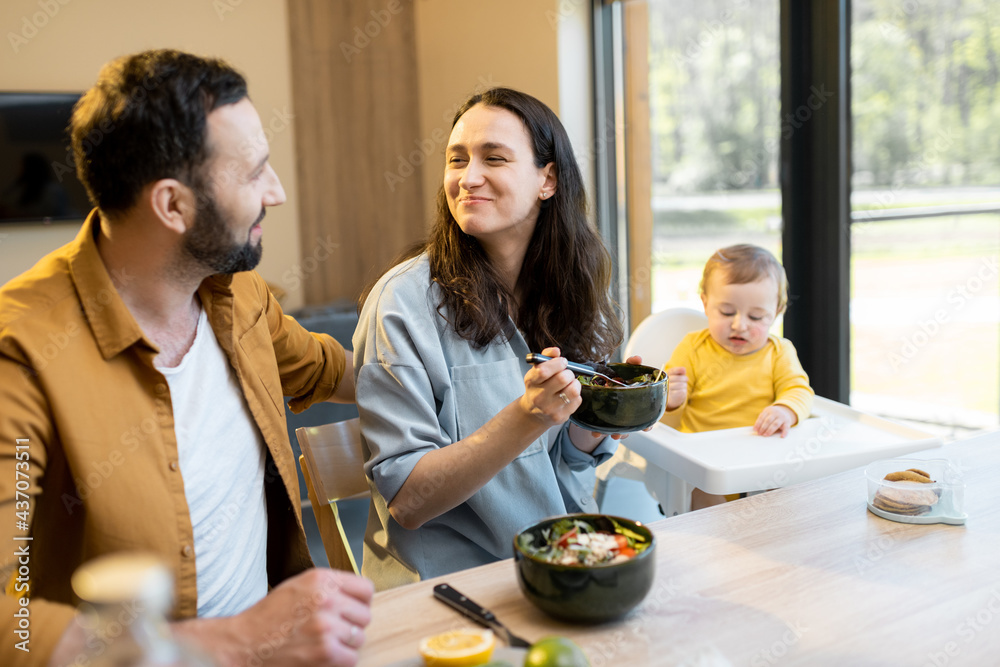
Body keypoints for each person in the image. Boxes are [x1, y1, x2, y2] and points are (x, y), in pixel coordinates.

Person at [0, 50, 372, 667]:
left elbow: (329, 370)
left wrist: (460, 374)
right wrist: (233, 644)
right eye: (254, 173)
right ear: (172, 205)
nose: (275, 192)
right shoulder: (22, 352)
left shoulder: (236, 291)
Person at [353, 87, 634, 588]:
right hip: (452, 589)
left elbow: (560, 461)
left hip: (562, 559)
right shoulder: (400, 303)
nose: (468, 178)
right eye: (456, 159)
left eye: (494, 158)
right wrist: (526, 416)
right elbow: (409, 501)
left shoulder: (567, 286)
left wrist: (602, 416)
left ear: (547, 179)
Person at [662, 243, 814, 509]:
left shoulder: (779, 352)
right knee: (705, 500)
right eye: (727, 312)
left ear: (776, 312)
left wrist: (785, 410)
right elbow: (664, 412)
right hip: (704, 462)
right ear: (705, 303)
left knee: (789, 496)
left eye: (756, 317)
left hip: (762, 460)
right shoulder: (693, 348)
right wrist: (672, 398)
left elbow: (799, 390)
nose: (739, 325)